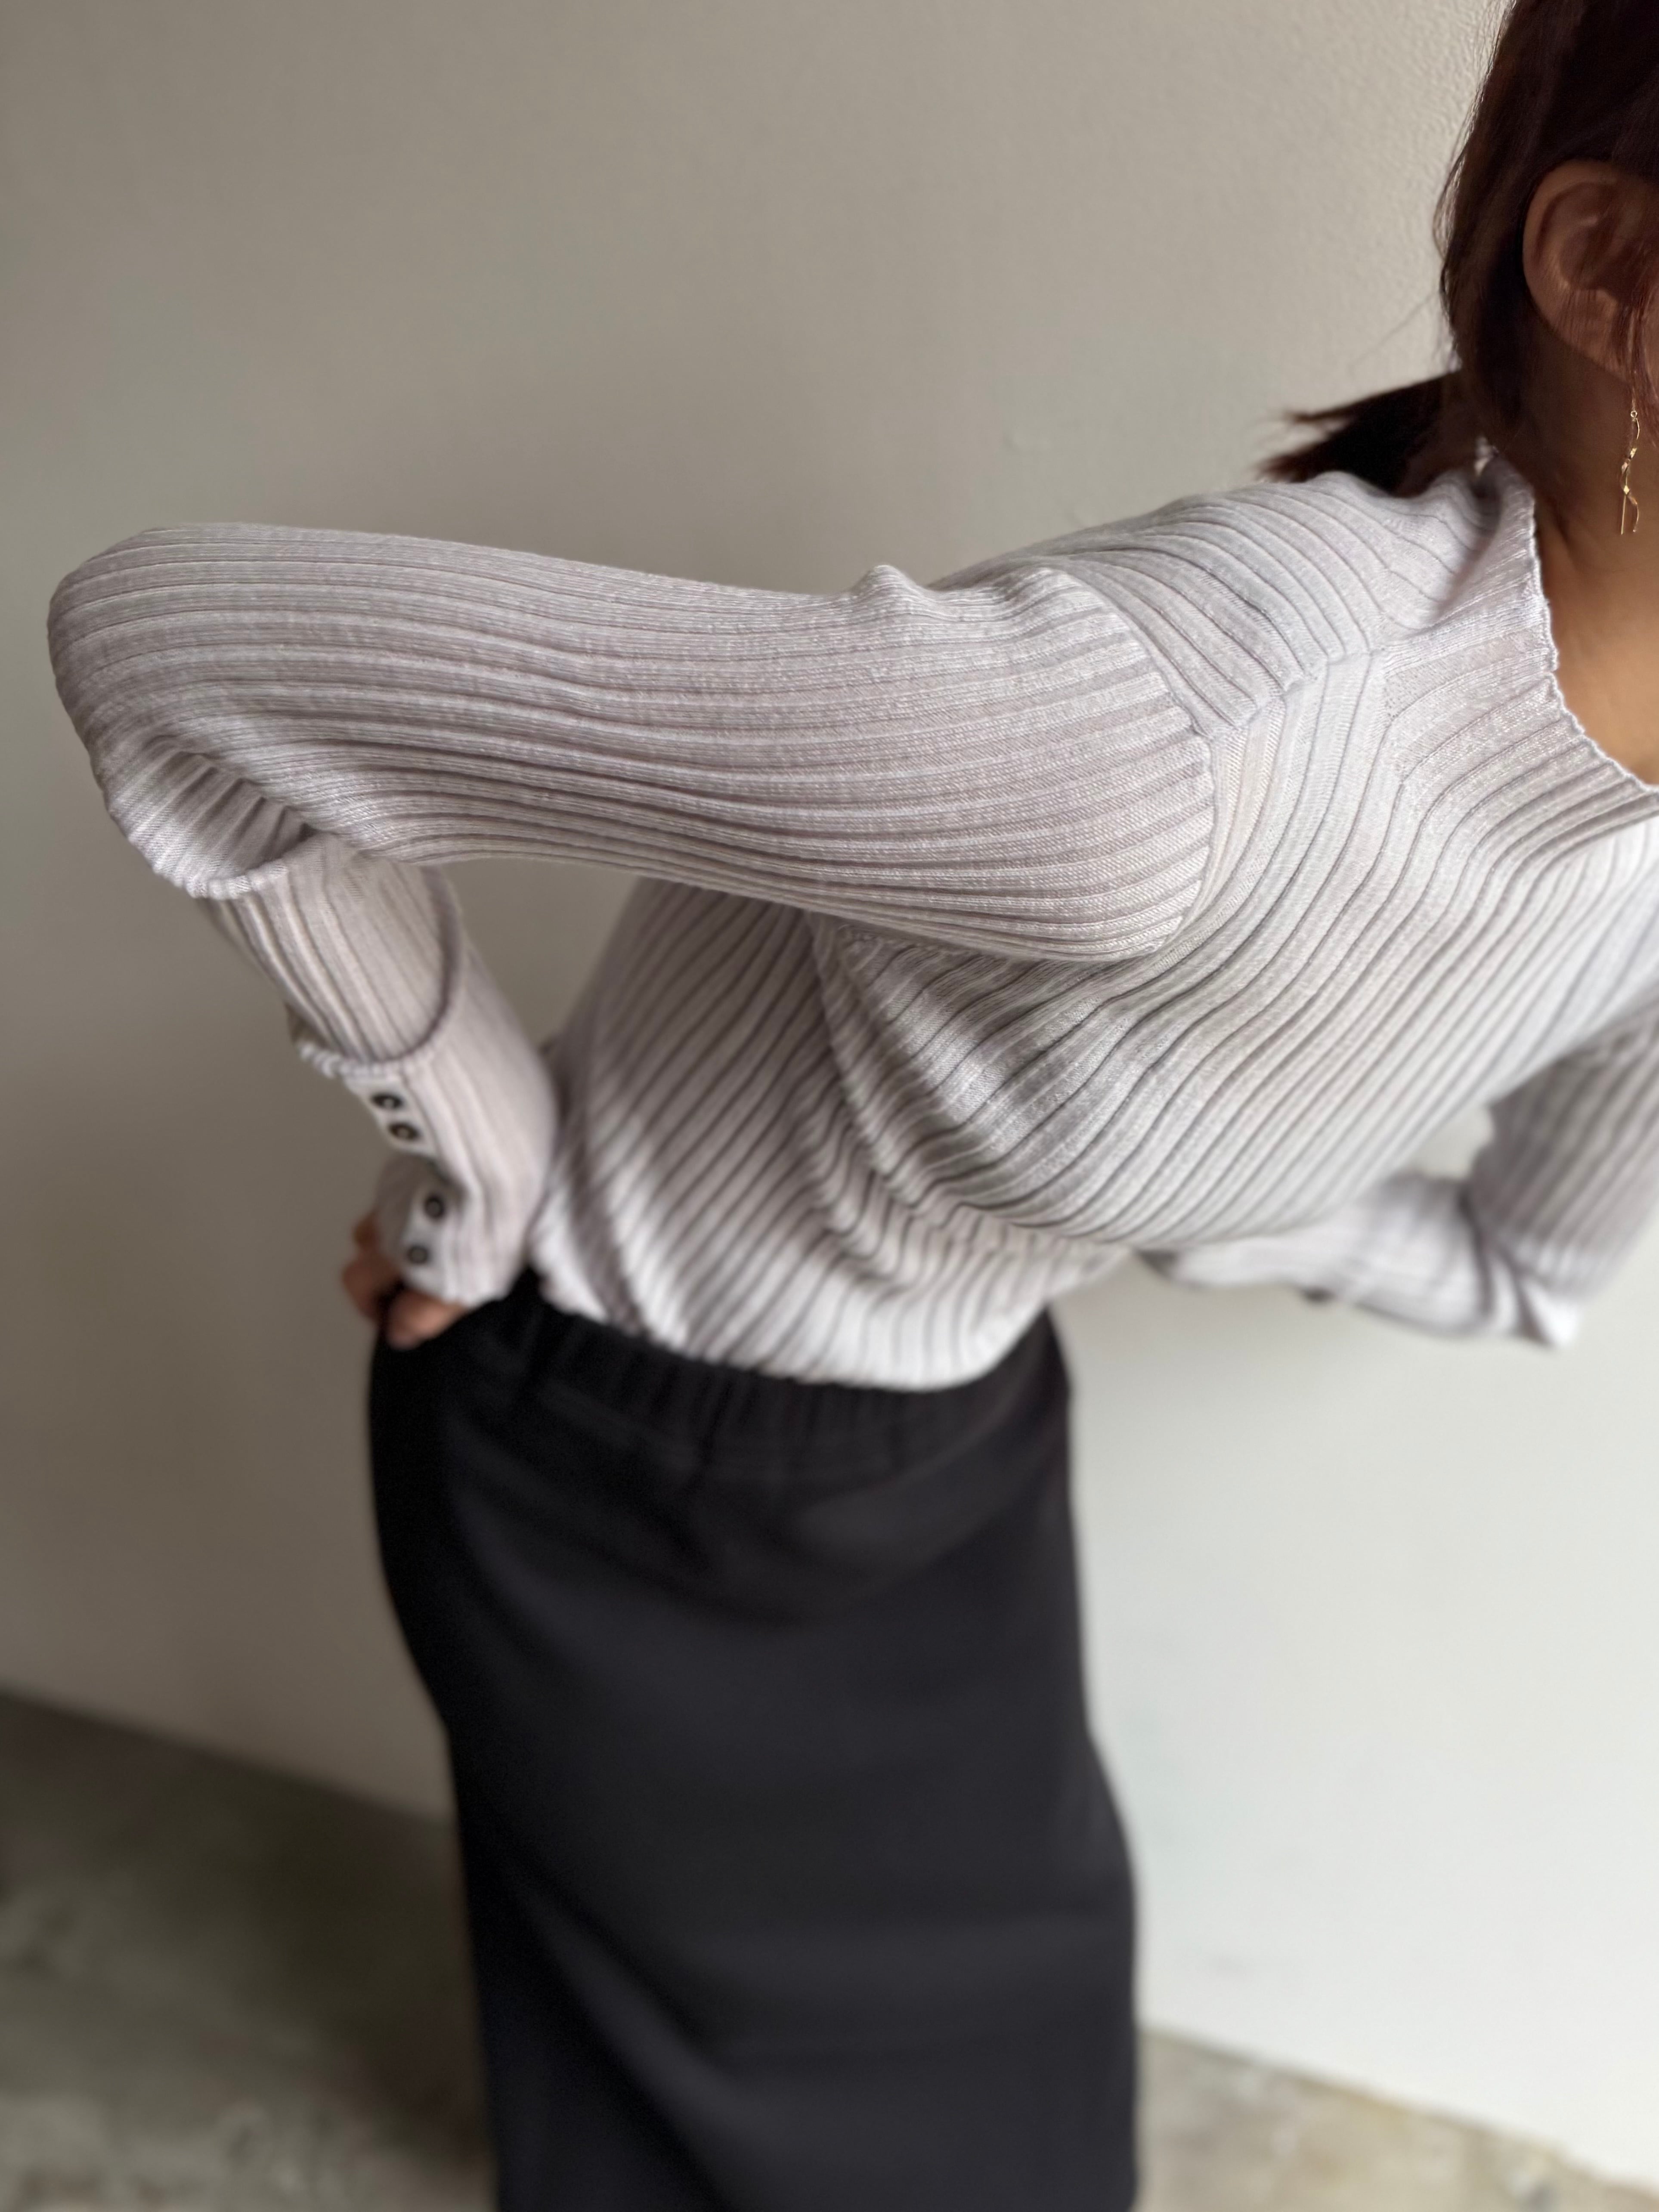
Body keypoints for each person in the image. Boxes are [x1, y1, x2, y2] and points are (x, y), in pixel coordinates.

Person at [44, 0, 1659, 2203]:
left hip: (951, 1454)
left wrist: (1183, 1187)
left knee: (996, 2092)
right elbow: (175, 657)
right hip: (616, 1461)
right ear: (1608, 270)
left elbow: (1520, 1266)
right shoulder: (1158, 744)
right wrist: (481, 1156)